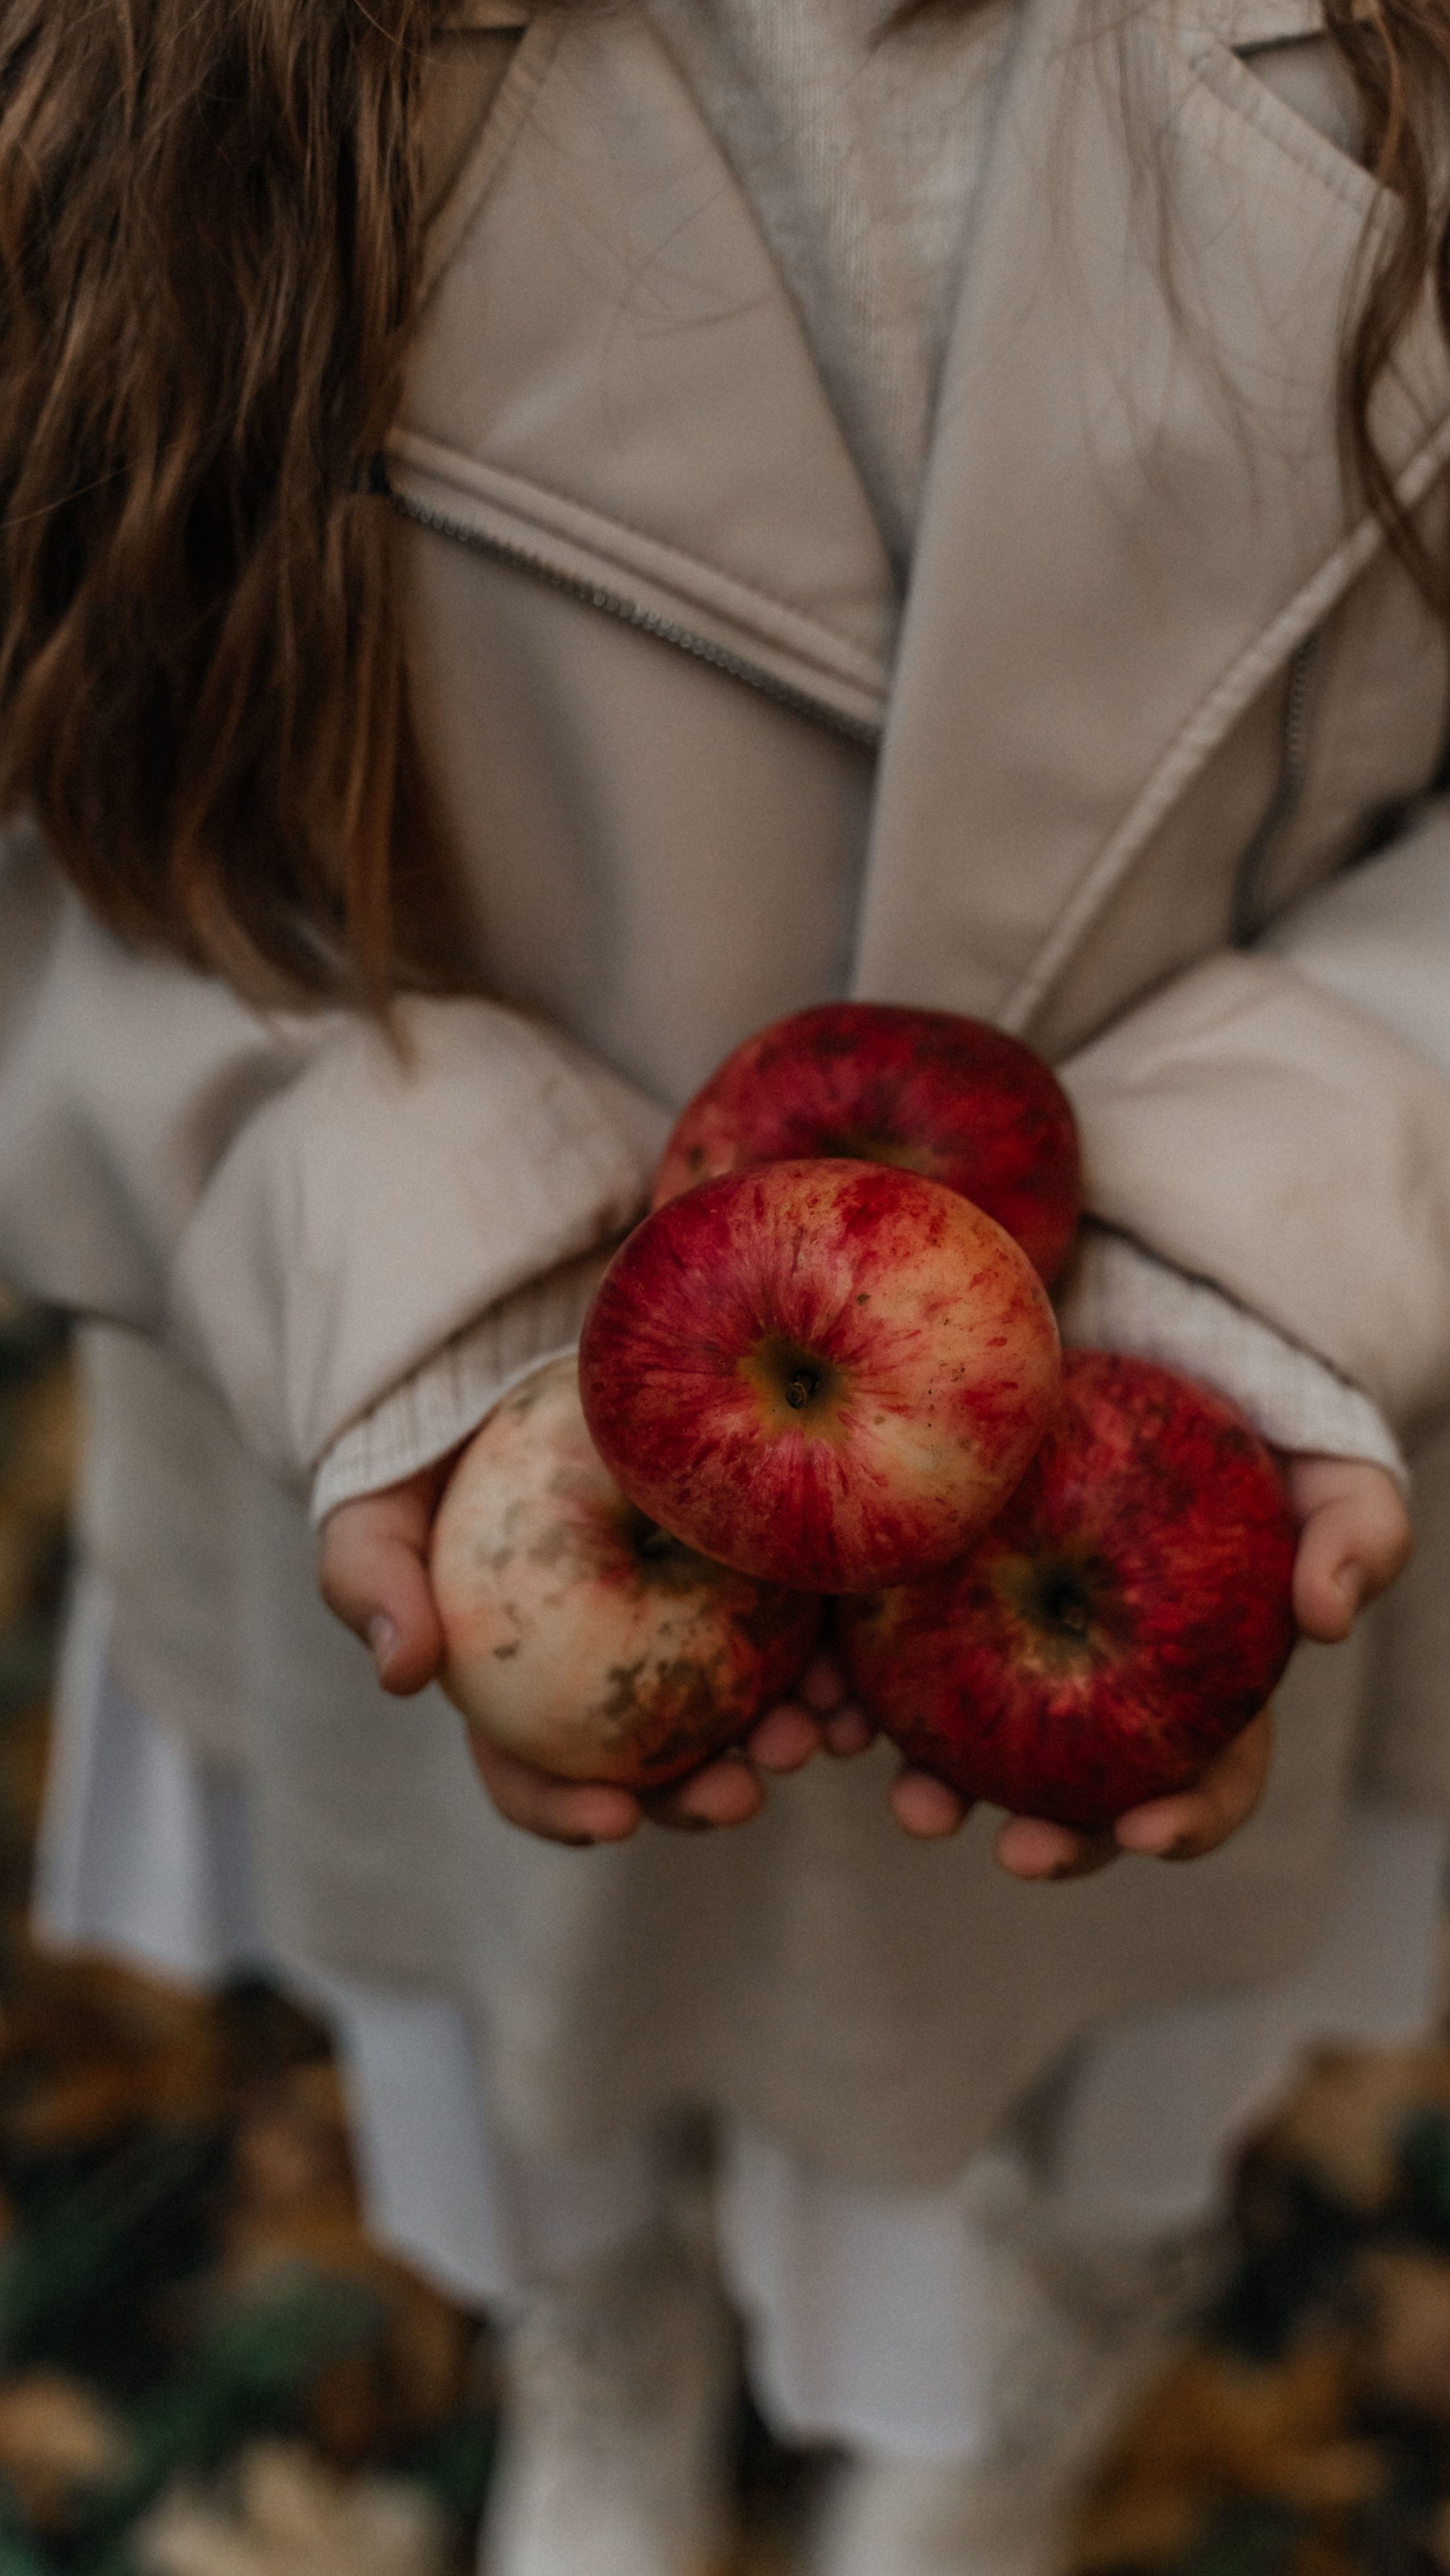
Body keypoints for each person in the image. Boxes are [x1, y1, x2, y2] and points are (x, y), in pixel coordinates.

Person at [2, 0, 1449, 2568]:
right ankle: (612, 2323)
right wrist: (360, 1212)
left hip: (1232, 1384)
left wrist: (1303, 1187)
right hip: (439, 1403)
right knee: (555, 2005)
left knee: (1105, 2032)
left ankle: (1041, 2317)